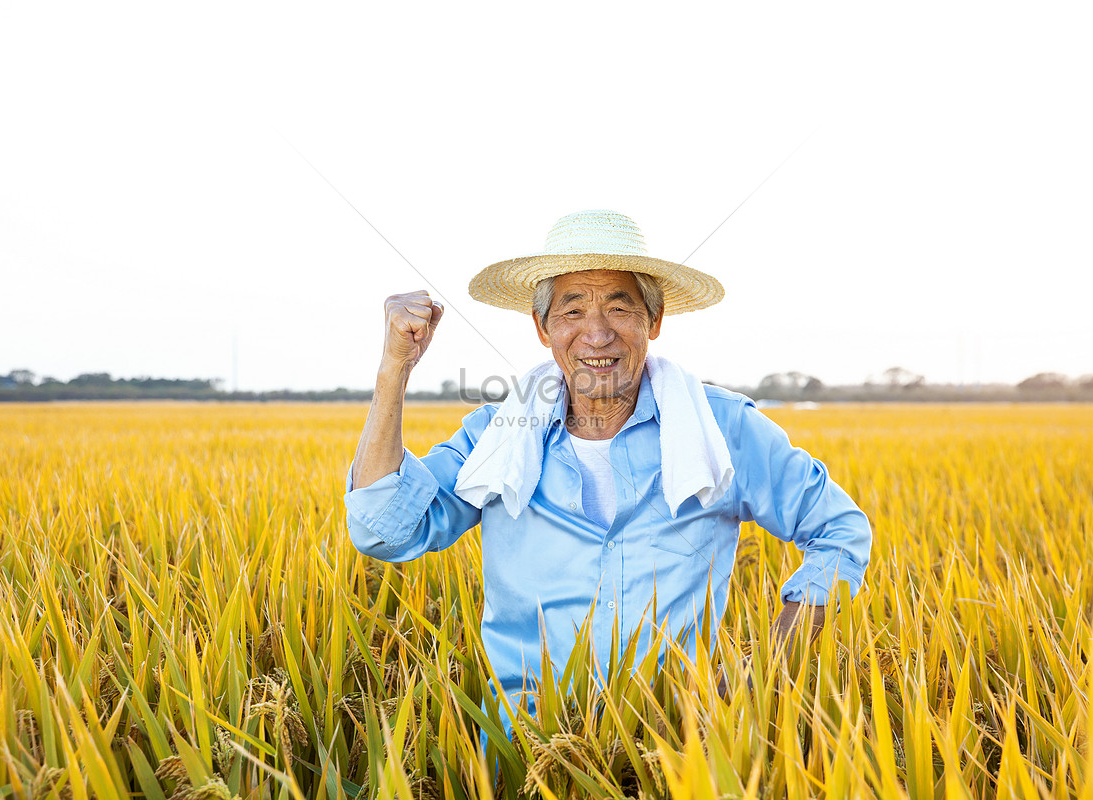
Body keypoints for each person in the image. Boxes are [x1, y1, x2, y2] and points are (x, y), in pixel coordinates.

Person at [344, 209, 872, 740]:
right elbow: (384, 529)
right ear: (542, 327)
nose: (596, 334)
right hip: (524, 748)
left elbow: (840, 531)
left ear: (654, 321)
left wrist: (766, 674)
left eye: (620, 308)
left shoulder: (719, 429)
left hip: (675, 749)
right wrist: (395, 369)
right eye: (572, 310)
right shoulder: (497, 437)